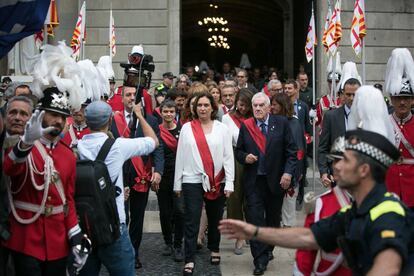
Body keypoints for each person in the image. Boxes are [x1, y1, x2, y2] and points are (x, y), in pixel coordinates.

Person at [221, 128, 414, 276]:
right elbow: (308, 237)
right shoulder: (356, 211)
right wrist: (255, 232)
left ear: (364, 170)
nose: (335, 166)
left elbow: (388, 269)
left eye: (344, 160)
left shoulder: (388, 214)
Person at [3, 88, 85, 276]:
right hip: (25, 239)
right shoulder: (22, 146)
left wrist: (75, 235)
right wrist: (25, 144)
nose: (58, 121)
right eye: (54, 115)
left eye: (63, 117)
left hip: (57, 241)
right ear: (40, 115)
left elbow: (68, 200)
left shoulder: (68, 155)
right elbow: (10, 168)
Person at [77, 101, 158, 276]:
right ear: (109, 120)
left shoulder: (76, 146)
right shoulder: (118, 146)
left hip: (84, 224)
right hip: (112, 223)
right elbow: (153, 141)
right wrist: (139, 115)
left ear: (86, 120)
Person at [235, 92, 297, 275]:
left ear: (269, 107)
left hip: (275, 181)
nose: (258, 109)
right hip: (254, 182)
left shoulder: (282, 123)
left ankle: (268, 249)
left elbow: (292, 152)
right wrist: (245, 157)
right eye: (255, 105)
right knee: (255, 220)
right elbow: (238, 151)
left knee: (272, 222)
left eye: (262, 105)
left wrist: (288, 173)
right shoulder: (247, 126)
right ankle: (259, 260)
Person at [174, 92, 234, 275]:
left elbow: (228, 156)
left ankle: (214, 248)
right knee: (191, 219)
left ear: (212, 108)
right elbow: (181, 156)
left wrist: (230, 182)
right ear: (194, 108)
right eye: (199, 105)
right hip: (191, 179)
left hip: (216, 180)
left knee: (215, 217)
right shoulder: (186, 128)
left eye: (206, 105)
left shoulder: (222, 128)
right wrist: (177, 183)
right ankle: (189, 258)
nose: (202, 108)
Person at [111, 85, 164, 269]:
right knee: (120, 216)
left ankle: (134, 253)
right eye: (128, 95)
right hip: (119, 176)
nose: (131, 98)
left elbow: (158, 147)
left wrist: (158, 170)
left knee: (138, 217)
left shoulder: (150, 120)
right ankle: (120, 252)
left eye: (135, 95)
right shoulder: (113, 120)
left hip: (141, 175)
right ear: (122, 97)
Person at [293, 136, 352, 276]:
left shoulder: (382, 203)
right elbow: (305, 255)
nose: (336, 166)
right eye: (335, 160)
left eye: (344, 161)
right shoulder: (320, 204)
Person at [0, 96, 33, 276]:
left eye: (23, 114)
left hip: (27, 234)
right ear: (5, 117)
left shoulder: (40, 151)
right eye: (12, 112)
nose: (18, 118)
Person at [222, 88, 254, 255]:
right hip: (234, 158)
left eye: (246, 106)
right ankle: (239, 236)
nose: (243, 109)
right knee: (235, 197)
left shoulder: (254, 117)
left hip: (253, 159)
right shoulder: (227, 119)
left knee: (252, 197)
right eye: (241, 105)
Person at [384, 48, 414, 210]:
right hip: (390, 188)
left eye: (406, 98)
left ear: (412, 101)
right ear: (392, 100)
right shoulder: (384, 123)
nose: (402, 102)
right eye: (398, 98)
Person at [271, 93, 306, 228]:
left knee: (289, 202)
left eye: (275, 105)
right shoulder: (272, 121)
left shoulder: (294, 123)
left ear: (283, 106)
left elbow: (299, 150)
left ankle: (287, 229)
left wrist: (296, 171)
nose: (272, 107)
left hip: (290, 169)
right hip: (275, 168)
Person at [318, 77, 361, 188]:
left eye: (355, 95)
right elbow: (323, 147)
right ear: (342, 95)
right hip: (338, 175)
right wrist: (323, 173)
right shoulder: (331, 116)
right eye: (348, 94)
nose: (352, 98)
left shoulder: (366, 116)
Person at [157, 100, 185, 261]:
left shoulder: (182, 131)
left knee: (180, 211)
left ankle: (178, 244)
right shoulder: (156, 131)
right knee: (165, 212)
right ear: (161, 113)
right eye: (166, 111)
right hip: (163, 177)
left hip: (179, 177)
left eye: (171, 112)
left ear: (176, 113)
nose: (168, 114)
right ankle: (168, 242)